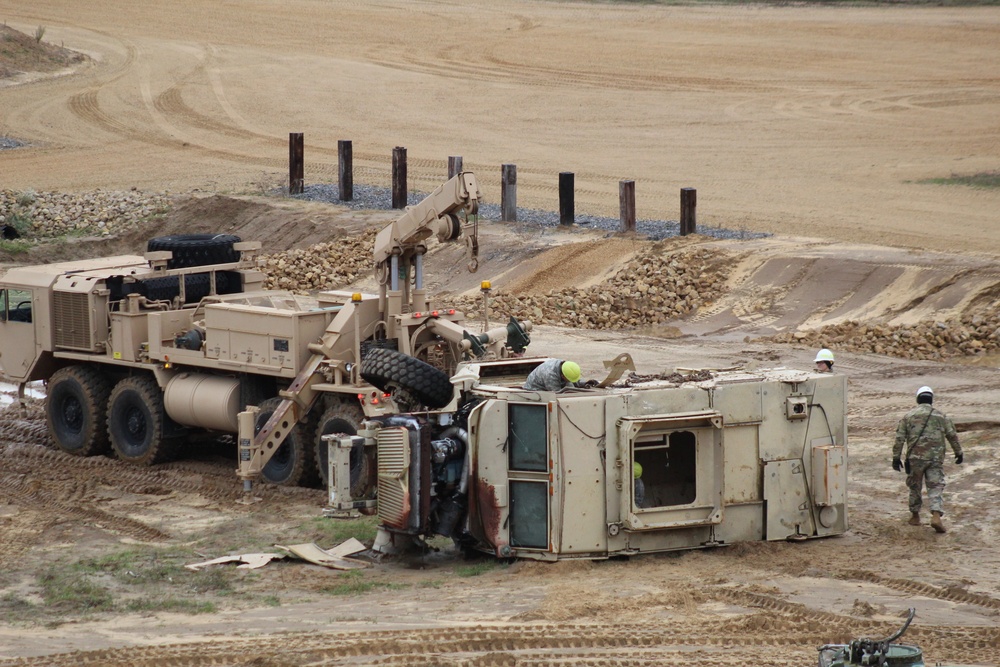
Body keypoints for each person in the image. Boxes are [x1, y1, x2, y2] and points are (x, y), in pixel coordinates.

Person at [892, 386, 963, 533]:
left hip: (915, 458)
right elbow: (952, 436)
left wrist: (896, 457)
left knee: (914, 486)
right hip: (935, 458)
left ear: (918, 399)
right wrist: (959, 452)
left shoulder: (909, 416)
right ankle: (936, 515)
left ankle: (915, 516)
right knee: (935, 486)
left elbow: (900, 438)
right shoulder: (941, 416)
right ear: (931, 400)